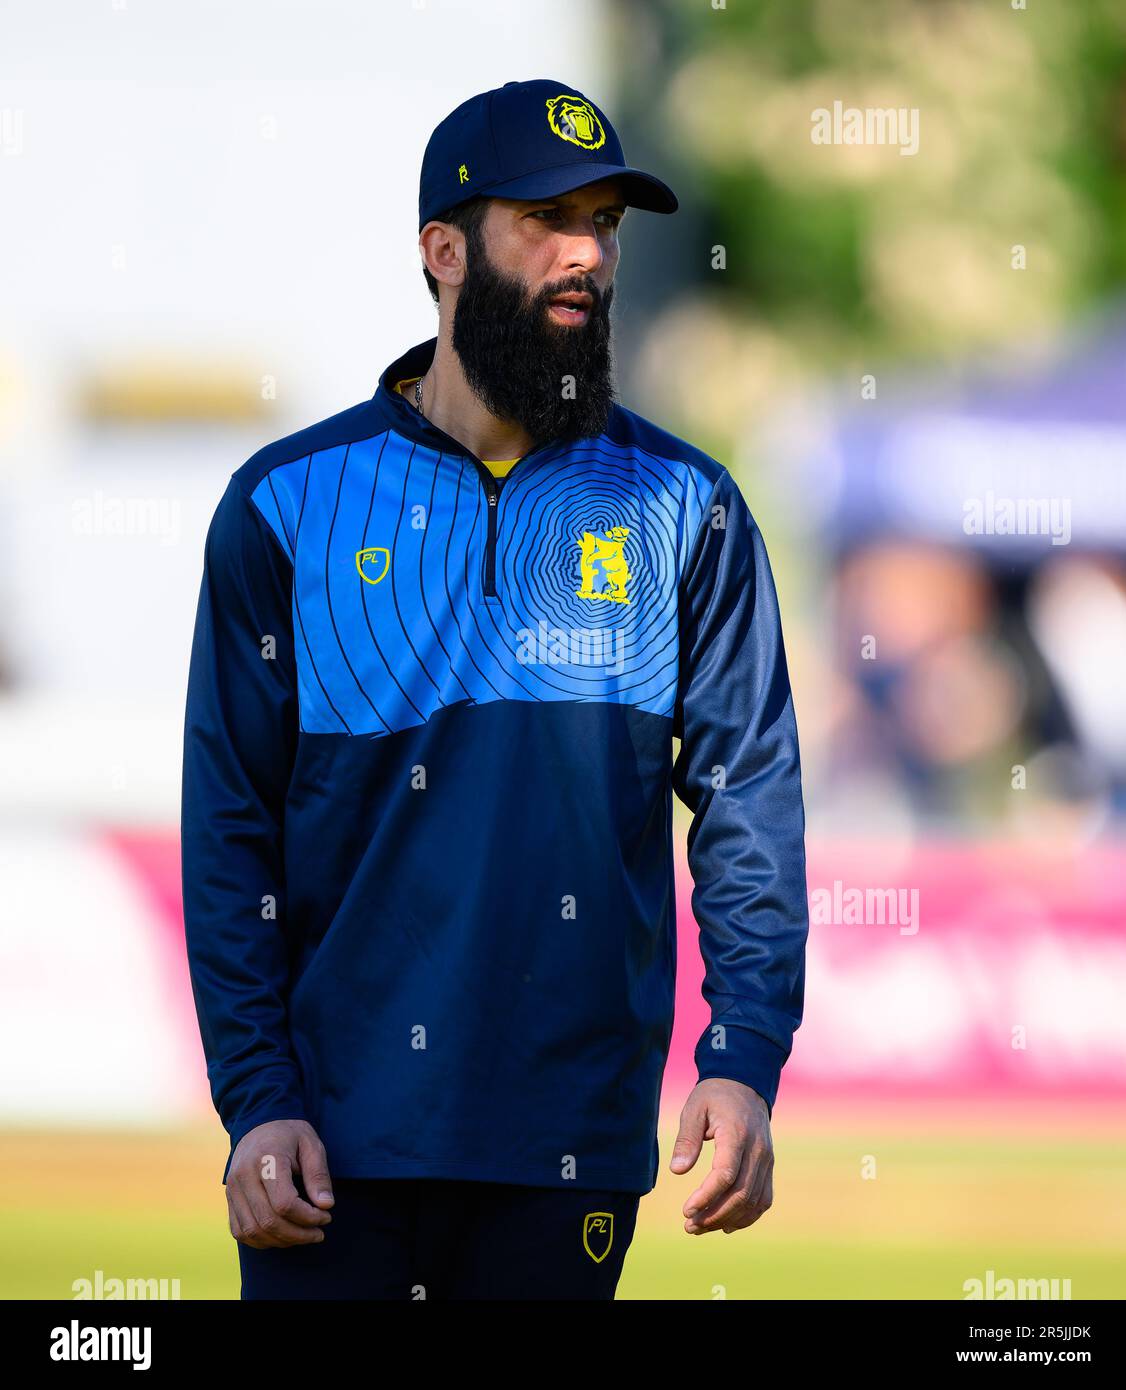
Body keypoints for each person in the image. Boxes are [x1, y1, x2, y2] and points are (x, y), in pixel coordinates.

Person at [181, 77, 809, 1302]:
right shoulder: (285, 504)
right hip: (330, 1151)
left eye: (607, 224)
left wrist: (742, 1055)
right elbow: (229, 831)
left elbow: (749, 807)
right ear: (444, 248)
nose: (587, 252)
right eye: (547, 217)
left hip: (565, 1146)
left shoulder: (693, 508)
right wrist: (257, 1100)